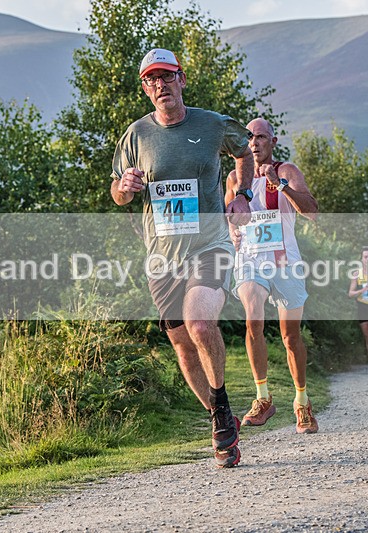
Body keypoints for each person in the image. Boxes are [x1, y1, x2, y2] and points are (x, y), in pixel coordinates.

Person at [111, 48, 254, 468]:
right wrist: (127, 186)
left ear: (181, 79)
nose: (160, 85)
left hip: (210, 245)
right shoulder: (135, 135)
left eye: (167, 77)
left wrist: (241, 195)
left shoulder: (210, 124)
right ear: (145, 87)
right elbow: (117, 193)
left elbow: (243, 151)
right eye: (152, 79)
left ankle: (223, 408)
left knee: (199, 322)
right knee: (182, 345)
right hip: (162, 257)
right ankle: (218, 416)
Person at [225, 118, 320, 434]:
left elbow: (312, 211)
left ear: (273, 142)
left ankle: (302, 402)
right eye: (249, 138)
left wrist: (279, 186)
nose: (254, 143)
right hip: (250, 261)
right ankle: (262, 397)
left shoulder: (286, 171)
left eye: (261, 137)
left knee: (290, 337)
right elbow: (230, 216)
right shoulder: (234, 179)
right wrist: (232, 232)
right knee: (253, 319)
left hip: (285, 262)